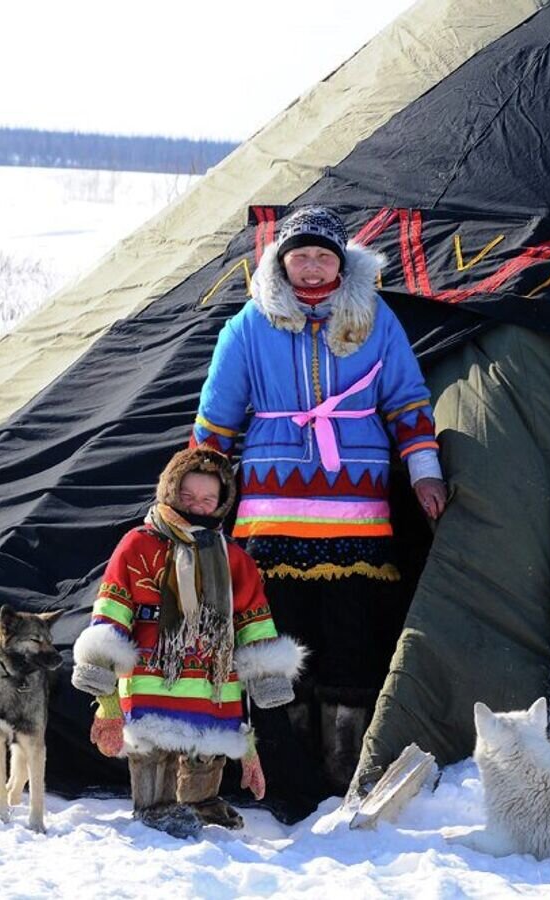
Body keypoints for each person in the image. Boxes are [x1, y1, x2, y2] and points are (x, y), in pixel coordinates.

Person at [190, 205, 448, 822]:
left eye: (323, 256)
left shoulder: (374, 319)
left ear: (342, 262)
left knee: (351, 640)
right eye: (299, 256)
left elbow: (408, 403)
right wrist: (194, 501)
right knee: (278, 643)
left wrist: (425, 473)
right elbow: (216, 424)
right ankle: (283, 776)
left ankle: (343, 770)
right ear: (281, 262)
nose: (311, 266)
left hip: (357, 516)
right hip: (271, 520)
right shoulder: (248, 328)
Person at [71, 446, 304, 837]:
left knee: (206, 749)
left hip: (212, 679)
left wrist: (266, 675)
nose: (197, 505)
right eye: (188, 496)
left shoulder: (234, 559)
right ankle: (155, 807)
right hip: (150, 675)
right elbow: (111, 610)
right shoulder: (137, 545)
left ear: (222, 501)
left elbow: (253, 619)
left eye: (208, 498)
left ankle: (200, 801)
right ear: (170, 491)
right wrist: (104, 690)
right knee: (154, 749)